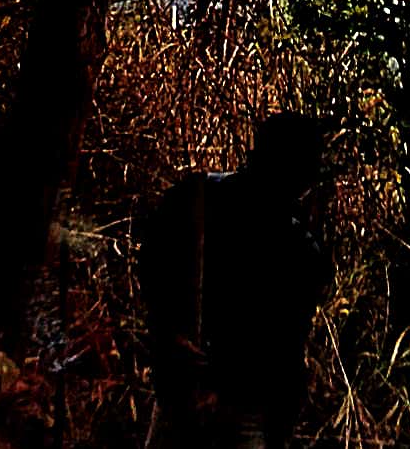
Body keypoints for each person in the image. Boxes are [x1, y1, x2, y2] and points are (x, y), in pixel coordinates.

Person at [140, 114, 329, 449]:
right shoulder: (194, 201)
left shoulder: (300, 248)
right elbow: (154, 275)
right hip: (195, 400)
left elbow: (283, 346)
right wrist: (171, 340)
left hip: (233, 406)